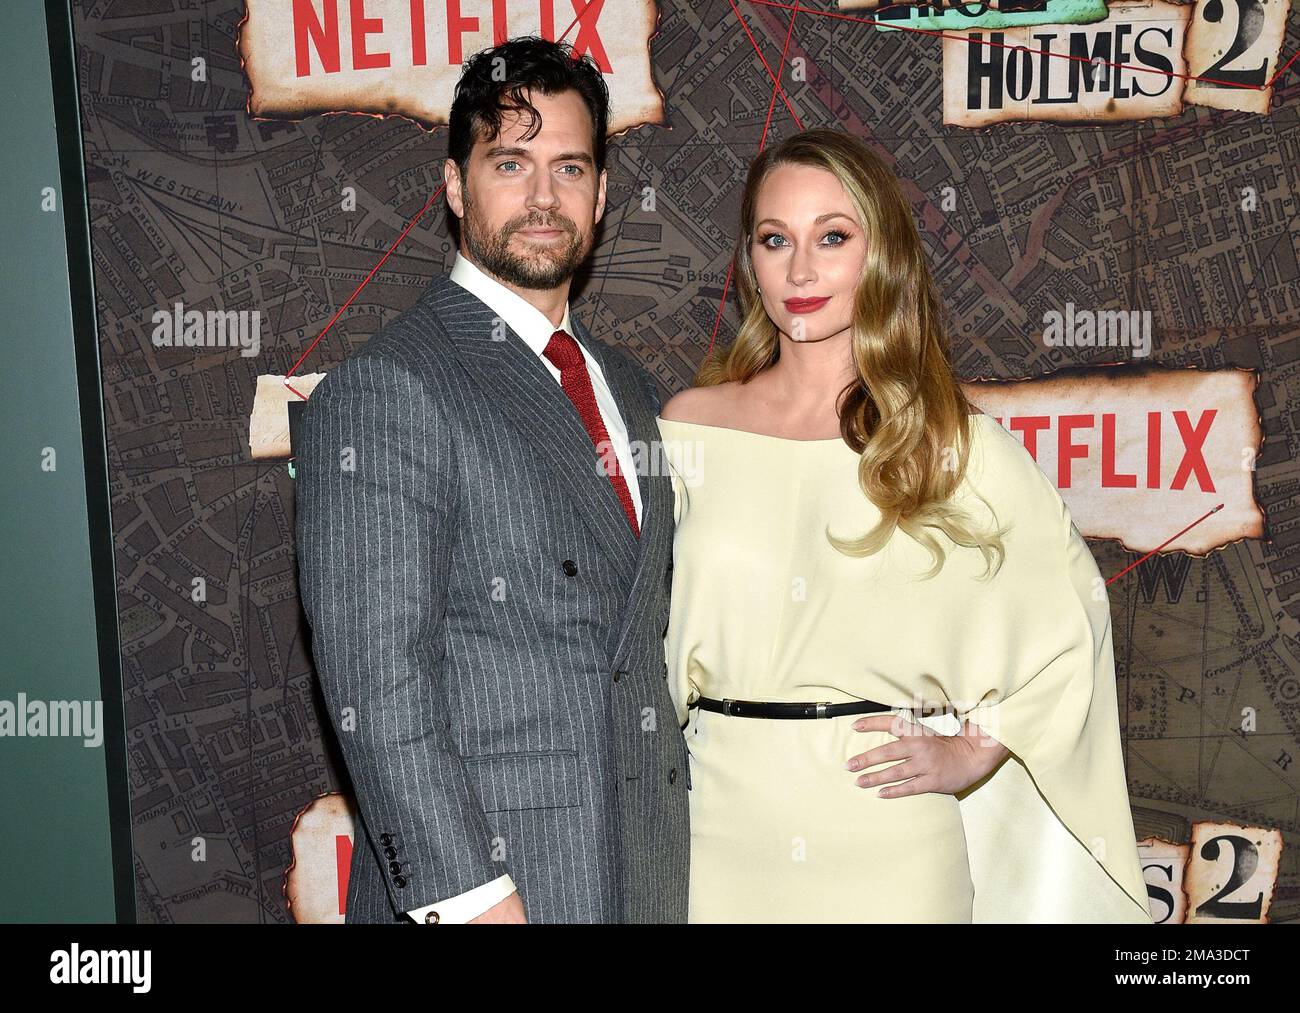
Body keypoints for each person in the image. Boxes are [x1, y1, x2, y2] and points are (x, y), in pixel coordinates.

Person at [656, 127, 1153, 923]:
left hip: (888, 840)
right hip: (714, 828)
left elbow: (1071, 620)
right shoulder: (687, 431)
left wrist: (974, 746)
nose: (802, 269)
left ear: (879, 252)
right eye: (775, 239)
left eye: (833, 237)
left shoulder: (948, 442)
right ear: (750, 259)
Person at [295, 37, 688, 924]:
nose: (544, 197)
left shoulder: (632, 389)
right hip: (493, 896)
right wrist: (466, 898)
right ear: (454, 185)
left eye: (570, 167)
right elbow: (372, 684)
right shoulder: (390, 388)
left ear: (602, 194)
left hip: (642, 878)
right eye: (511, 163)